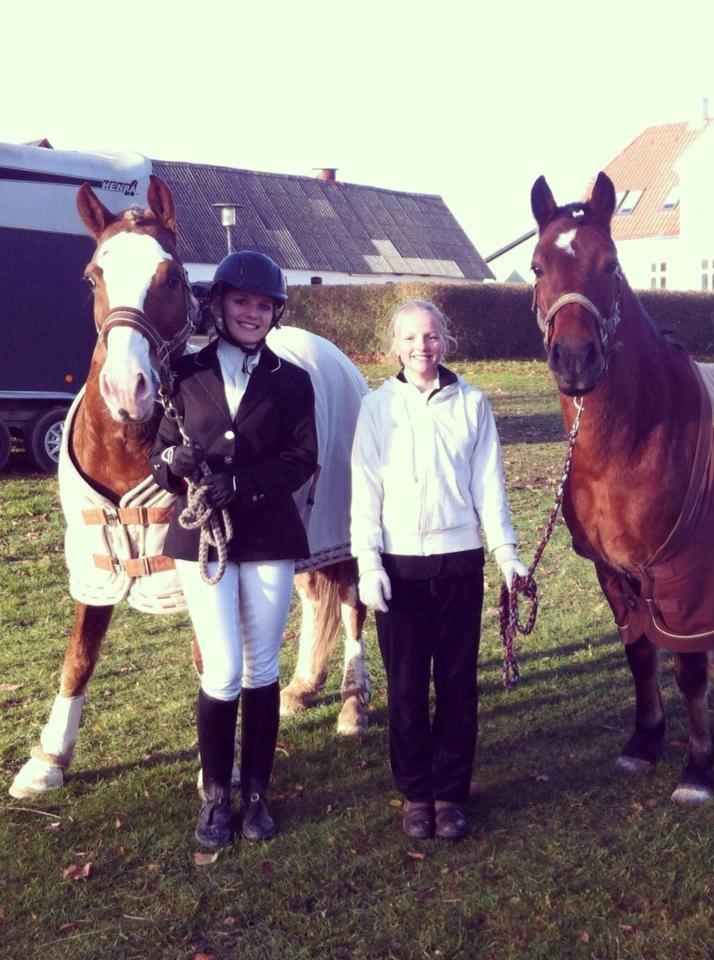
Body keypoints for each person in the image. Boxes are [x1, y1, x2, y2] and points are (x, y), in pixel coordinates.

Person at [149, 250, 317, 848]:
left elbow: (301, 460)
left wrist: (241, 484)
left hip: (268, 535)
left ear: (275, 313)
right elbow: (161, 456)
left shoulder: (292, 381)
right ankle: (216, 796)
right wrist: (176, 464)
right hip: (202, 543)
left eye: (263, 305)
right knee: (221, 669)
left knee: (262, 668)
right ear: (218, 305)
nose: (252, 312)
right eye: (241, 301)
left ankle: (257, 796)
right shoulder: (185, 376)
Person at [350, 299, 527, 841]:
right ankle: (415, 794)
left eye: (430, 337)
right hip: (398, 570)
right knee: (405, 688)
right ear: (394, 346)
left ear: (444, 341)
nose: (421, 348)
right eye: (409, 338)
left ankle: (449, 794)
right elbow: (365, 493)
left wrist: (506, 554)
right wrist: (368, 564)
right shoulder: (377, 407)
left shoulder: (472, 404)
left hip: (458, 564)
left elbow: (488, 488)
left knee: (455, 684)